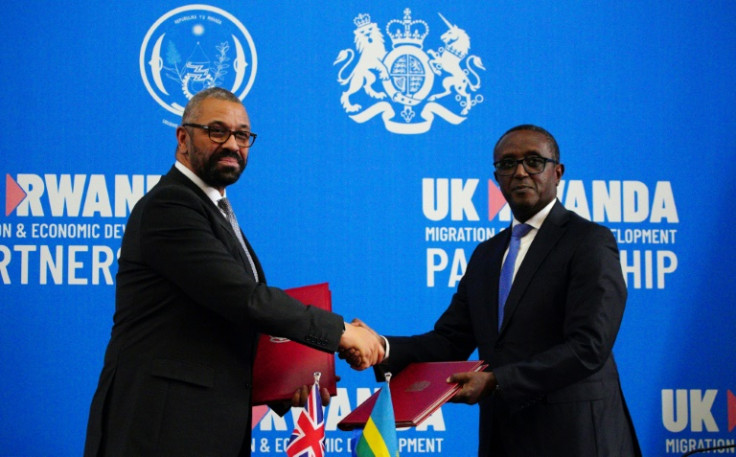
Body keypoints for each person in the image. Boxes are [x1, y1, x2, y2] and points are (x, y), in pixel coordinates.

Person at [84, 87, 384, 457]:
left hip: (211, 429)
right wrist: (339, 331)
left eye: (242, 135)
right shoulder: (170, 205)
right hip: (161, 432)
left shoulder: (214, 208)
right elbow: (244, 299)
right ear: (182, 138)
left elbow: (225, 322)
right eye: (216, 131)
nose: (232, 144)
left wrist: (287, 380)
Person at [349, 125, 640, 456]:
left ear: (557, 173)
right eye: (507, 164)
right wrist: (380, 347)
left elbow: (589, 345)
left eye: (534, 161)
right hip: (503, 437)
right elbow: (449, 341)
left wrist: (497, 381)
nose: (519, 172)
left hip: (576, 437)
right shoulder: (487, 254)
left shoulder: (588, 241)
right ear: (496, 178)